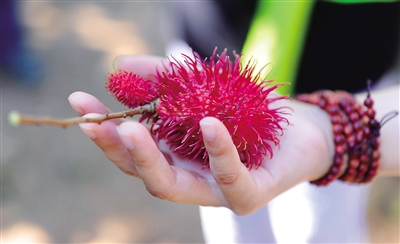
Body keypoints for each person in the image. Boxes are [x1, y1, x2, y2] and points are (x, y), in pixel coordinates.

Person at [68, 1, 399, 242]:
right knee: (232, 225)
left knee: (320, 230)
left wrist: (329, 134)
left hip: (348, 60)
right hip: (210, 36)